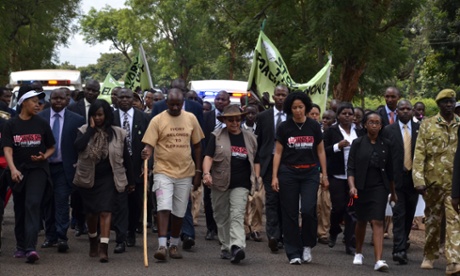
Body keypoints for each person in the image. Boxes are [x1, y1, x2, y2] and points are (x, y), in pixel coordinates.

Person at [142, 89, 204, 261]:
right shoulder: (157, 120)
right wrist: (145, 154)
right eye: (172, 104)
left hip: (185, 172)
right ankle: (162, 245)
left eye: (179, 104)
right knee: (163, 207)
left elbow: (198, 147)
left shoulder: (191, 118)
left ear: (182, 103)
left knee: (179, 211)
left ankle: (174, 244)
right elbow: (149, 145)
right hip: (163, 171)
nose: (176, 107)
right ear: (166, 103)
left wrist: (198, 172)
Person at [271, 92, 329, 265]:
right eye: (294, 107)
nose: (298, 110)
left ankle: (307, 245)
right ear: (290, 108)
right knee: (290, 214)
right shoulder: (284, 127)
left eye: (301, 107)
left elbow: (321, 151)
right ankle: (293, 252)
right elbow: (278, 152)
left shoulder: (313, 126)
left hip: (310, 173)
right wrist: (274, 176)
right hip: (288, 173)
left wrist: (324, 175)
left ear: (306, 107)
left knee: (308, 210)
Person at [73, 99, 134, 263]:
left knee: (106, 211)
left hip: (109, 178)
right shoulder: (83, 130)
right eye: (94, 115)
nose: (98, 118)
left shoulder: (118, 133)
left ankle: (103, 248)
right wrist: (91, 131)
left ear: (106, 115)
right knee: (92, 214)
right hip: (89, 179)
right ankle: (93, 239)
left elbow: (126, 158)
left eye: (100, 115)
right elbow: (77, 146)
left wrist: (131, 181)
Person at [202, 105, 261, 264]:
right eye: (230, 120)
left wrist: (256, 178)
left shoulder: (250, 138)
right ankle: (226, 247)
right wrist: (206, 174)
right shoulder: (216, 136)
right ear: (224, 121)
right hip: (219, 182)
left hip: (241, 184)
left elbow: (256, 160)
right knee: (221, 216)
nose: (235, 122)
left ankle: (237, 246)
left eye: (237, 119)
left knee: (236, 215)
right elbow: (208, 157)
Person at [2, 90, 55, 263]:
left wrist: (44, 157)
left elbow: (51, 147)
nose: (38, 105)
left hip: (38, 170)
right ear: (23, 102)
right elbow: (8, 149)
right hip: (18, 171)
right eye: (34, 101)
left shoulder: (41, 123)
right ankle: (20, 246)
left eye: (39, 102)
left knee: (33, 204)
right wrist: (13, 169)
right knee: (20, 208)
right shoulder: (11, 124)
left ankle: (31, 248)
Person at [413, 89, 460, 274]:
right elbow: (419, 154)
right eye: (445, 102)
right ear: (439, 104)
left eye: (452, 101)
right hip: (432, 183)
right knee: (433, 222)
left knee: (454, 220)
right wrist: (418, 180)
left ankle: (453, 261)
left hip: (454, 183)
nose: (449, 104)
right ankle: (429, 254)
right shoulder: (427, 125)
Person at [348, 111, 397, 272]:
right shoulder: (357, 143)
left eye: (377, 123)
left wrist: (393, 192)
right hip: (361, 187)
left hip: (379, 187)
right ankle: (359, 251)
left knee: (378, 221)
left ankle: (378, 260)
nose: (374, 125)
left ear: (381, 126)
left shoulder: (387, 144)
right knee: (361, 220)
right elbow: (351, 168)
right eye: (371, 122)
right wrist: (352, 186)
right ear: (365, 124)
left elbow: (390, 171)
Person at [38, 88, 85, 253]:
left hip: (64, 168)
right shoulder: (40, 118)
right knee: (47, 203)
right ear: (50, 100)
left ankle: (61, 237)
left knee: (62, 201)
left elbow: (81, 145)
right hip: (44, 167)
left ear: (67, 100)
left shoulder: (77, 120)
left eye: (61, 98)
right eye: (55, 98)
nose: (58, 101)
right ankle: (49, 237)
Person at [112, 88, 150, 253]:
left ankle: (131, 231)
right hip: (117, 166)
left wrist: (147, 162)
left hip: (137, 167)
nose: (125, 100)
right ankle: (120, 237)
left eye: (128, 97)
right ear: (117, 99)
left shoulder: (144, 117)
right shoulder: (110, 117)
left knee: (135, 203)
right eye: (122, 97)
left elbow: (149, 142)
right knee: (120, 203)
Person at [382, 100, 419, 265]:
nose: (405, 111)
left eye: (408, 109)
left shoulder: (420, 130)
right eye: (401, 109)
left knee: (409, 214)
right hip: (395, 180)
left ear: (412, 111)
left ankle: (404, 242)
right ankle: (398, 249)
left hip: (414, 179)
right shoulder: (388, 130)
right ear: (396, 111)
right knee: (398, 213)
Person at [324, 102, 363, 255]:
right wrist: (337, 146)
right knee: (338, 207)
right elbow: (323, 150)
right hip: (337, 175)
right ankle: (334, 230)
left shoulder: (359, 131)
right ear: (338, 115)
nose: (347, 116)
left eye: (350, 114)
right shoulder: (331, 131)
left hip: (354, 177)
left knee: (352, 210)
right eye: (344, 113)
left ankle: (350, 244)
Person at [255, 85, 288, 253]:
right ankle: (273, 236)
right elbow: (258, 142)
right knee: (272, 200)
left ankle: (283, 235)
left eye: (284, 95)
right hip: (268, 165)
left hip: (288, 165)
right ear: (274, 96)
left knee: (285, 201)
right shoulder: (263, 117)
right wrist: (257, 166)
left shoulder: (293, 116)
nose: (281, 97)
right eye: (278, 94)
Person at [67, 79, 101, 237]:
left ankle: (91, 224)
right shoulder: (73, 107)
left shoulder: (102, 108)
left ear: (98, 93)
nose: (91, 92)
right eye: (88, 89)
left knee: (93, 193)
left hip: (96, 155)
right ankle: (79, 222)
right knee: (77, 194)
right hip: (77, 154)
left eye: (94, 90)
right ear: (84, 89)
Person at [202, 90, 231, 241]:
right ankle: (210, 228)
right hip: (209, 160)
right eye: (218, 99)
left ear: (228, 102)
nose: (220, 101)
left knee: (225, 197)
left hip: (226, 163)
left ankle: (224, 229)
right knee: (208, 197)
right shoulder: (205, 117)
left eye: (223, 99)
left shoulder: (232, 119)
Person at [241, 105, 264, 242]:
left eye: (253, 113)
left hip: (258, 167)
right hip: (243, 167)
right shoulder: (239, 128)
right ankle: (245, 227)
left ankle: (256, 228)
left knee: (258, 199)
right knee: (244, 200)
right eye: (248, 113)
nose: (250, 115)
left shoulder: (260, 129)